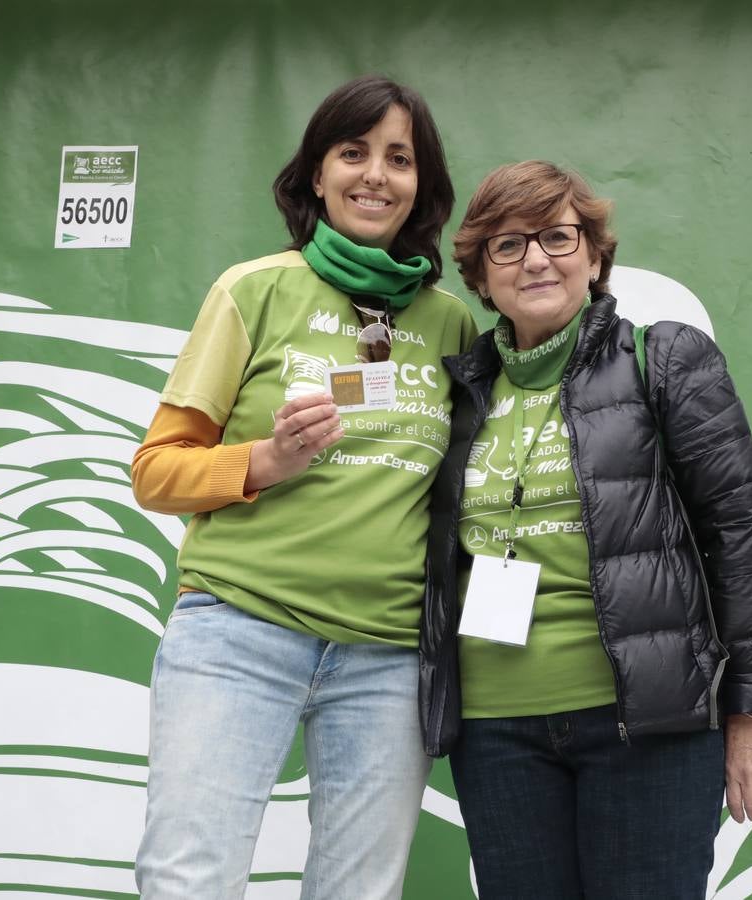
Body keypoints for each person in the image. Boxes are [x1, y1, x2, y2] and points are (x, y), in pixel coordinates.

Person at [131, 75, 477, 899]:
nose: (375, 175)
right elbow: (155, 470)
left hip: (388, 659)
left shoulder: (451, 323)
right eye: (352, 152)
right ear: (315, 175)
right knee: (188, 880)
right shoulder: (253, 290)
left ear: (420, 185)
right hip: (237, 634)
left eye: (399, 159)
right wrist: (265, 461)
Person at [419, 160, 752, 898]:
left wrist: (751, 714)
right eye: (507, 245)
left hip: (646, 725)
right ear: (480, 277)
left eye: (558, 237)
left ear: (594, 257)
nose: (535, 258)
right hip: (497, 733)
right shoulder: (458, 393)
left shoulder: (667, 359)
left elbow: (743, 540)